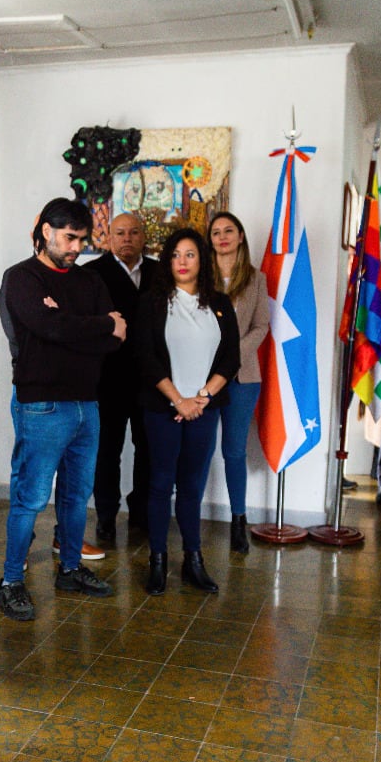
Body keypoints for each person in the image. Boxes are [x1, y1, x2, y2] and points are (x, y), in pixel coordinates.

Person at [0, 198, 123, 620]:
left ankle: (70, 569)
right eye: (70, 237)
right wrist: (94, 324)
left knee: (75, 497)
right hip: (42, 404)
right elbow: (49, 327)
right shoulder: (21, 278)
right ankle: (11, 580)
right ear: (45, 229)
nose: (76, 248)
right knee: (30, 498)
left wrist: (74, 326)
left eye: (82, 240)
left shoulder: (88, 281)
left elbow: (116, 337)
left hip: (88, 402)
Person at [137, 228, 239, 593]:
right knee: (161, 483)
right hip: (163, 407)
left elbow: (231, 359)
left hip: (204, 409)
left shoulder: (221, 303)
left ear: (202, 260)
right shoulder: (152, 302)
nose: (182, 261)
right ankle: (158, 561)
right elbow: (145, 358)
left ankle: (193, 560)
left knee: (193, 486)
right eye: (176, 254)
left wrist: (201, 399)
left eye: (190, 254)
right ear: (167, 260)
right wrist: (177, 400)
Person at [85, 212, 158, 541]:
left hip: (152, 380)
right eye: (120, 233)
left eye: (133, 232)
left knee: (149, 448)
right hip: (107, 380)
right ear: (108, 238)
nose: (127, 238)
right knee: (107, 451)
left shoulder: (161, 272)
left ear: (144, 237)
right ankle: (106, 515)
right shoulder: (90, 275)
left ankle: (141, 512)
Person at [209, 212, 269, 553]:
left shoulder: (256, 279)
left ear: (241, 236)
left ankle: (238, 520)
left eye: (228, 230)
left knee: (233, 451)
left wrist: (232, 354)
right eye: (215, 232)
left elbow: (261, 326)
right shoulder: (201, 278)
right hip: (203, 376)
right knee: (200, 451)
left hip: (243, 377)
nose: (222, 237)